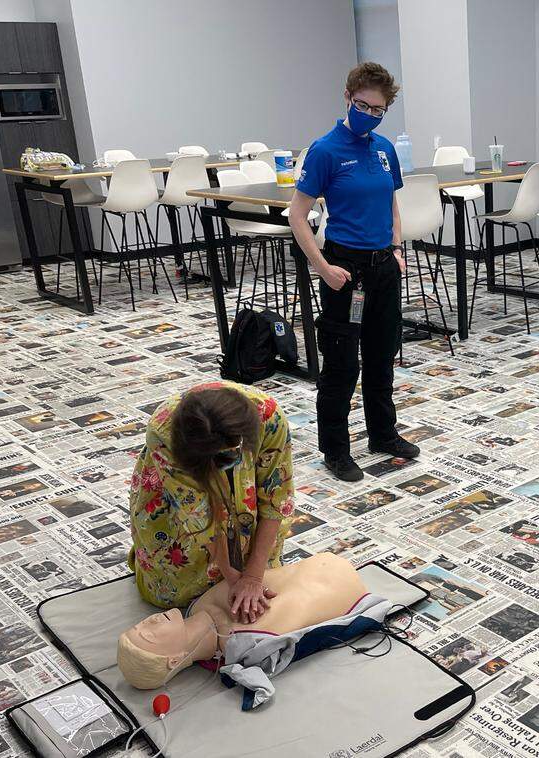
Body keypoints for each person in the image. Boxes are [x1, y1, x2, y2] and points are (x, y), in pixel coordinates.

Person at [289, 61, 418, 483]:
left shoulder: (383, 149)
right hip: (346, 270)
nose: (370, 114)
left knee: (383, 354)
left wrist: (397, 248)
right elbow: (297, 214)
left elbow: (392, 204)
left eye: (379, 110)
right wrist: (323, 268)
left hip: (383, 264)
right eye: (364, 105)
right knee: (343, 364)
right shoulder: (326, 150)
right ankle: (336, 449)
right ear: (348, 98)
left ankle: (383, 433)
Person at [117, 554, 388, 705]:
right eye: (147, 635)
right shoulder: (246, 640)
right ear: (174, 660)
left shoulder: (196, 606)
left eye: (138, 624)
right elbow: (304, 600)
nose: (147, 622)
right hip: (341, 579)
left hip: (320, 566)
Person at [127, 382, 293, 616]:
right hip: (182, 505)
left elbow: (277, 498)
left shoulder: (268, 417)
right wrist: (234, 579)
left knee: (263, 574)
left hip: (243, 480)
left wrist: (253, 577)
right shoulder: (165, 431)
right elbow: (196, 513)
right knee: (173, 586)